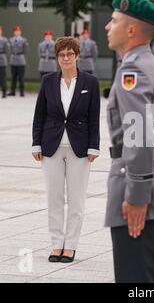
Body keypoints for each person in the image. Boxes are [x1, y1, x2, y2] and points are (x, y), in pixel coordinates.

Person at [104, 0, 154, 283]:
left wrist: (137, 195)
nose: (107, 27)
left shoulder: (132, 70)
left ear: (131, 30)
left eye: (114, 21)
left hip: (140, 197)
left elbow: (138, 136)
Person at [32, 36, 100, 263]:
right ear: (57, 57)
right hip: (51, 146)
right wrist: (36, 142)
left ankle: (70, 245)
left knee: (77, 199)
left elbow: (94, 118)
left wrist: (94, 146)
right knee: (54, 197)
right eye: (62, 55)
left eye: (70, 54)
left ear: (77, 56)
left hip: (80, 148)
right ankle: (55, 244)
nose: (66, 58)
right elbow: (39, 114)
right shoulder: (48, 81)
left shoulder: (90, 82)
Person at [8, 25, 28, 97]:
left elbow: (25, 51)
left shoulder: (24, 40)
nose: (17, 32)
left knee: (21, 77)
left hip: (20, 59)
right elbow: (9, 49)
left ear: (20, 32)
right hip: (13, 58)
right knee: (13, 77)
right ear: (14, 32)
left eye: (18, 31)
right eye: (16, 31)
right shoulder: (11, 40)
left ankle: (22, 92)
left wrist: (23, 58)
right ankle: (12, 91)